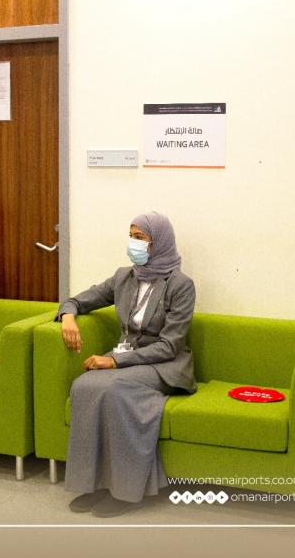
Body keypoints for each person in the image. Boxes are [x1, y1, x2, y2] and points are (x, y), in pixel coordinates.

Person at [58, 211, 196, 517]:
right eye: (131, 236)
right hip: (126, 360)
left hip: (164, 364)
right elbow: (77, 300)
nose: (133, 243)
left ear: (158, 242)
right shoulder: (124, 277)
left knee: (115, 390)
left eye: (140, 238)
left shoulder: (180, 284)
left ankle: (127, 491)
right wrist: (67, 317)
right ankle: (94, 483)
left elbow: (169, 345)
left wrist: (115, 361)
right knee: (83, 385)